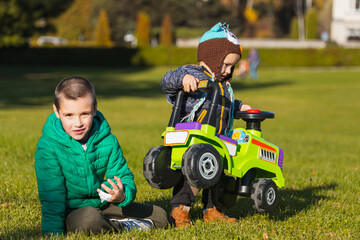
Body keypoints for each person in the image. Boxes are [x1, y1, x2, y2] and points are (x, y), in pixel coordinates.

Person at [35, 77, 168, 236]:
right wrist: (53, 234)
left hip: (103, 204)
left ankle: (113, 221)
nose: (78, 123)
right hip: (72, 212)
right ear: (56, 112)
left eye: (84, 114)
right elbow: (52, 196)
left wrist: (121, 195)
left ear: (94, 109)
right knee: (89, 220)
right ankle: (123, 226)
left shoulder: (107, 140)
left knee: (161, 216)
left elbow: (123, 176)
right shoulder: (48, 145)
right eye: (69, 115)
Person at [160, 22, 251, 228]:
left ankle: (213, 210)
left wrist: (239, 106)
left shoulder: (223, 86)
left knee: (216, 176)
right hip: (195, 139)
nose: (228, 71)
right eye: (224, 64)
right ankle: (180, 211)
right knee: (191, 177)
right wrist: (183, 78)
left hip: (218, 139)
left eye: (232, 67)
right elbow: (167, 80)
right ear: (211, 57)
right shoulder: (194, 74)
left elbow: (224, 105)